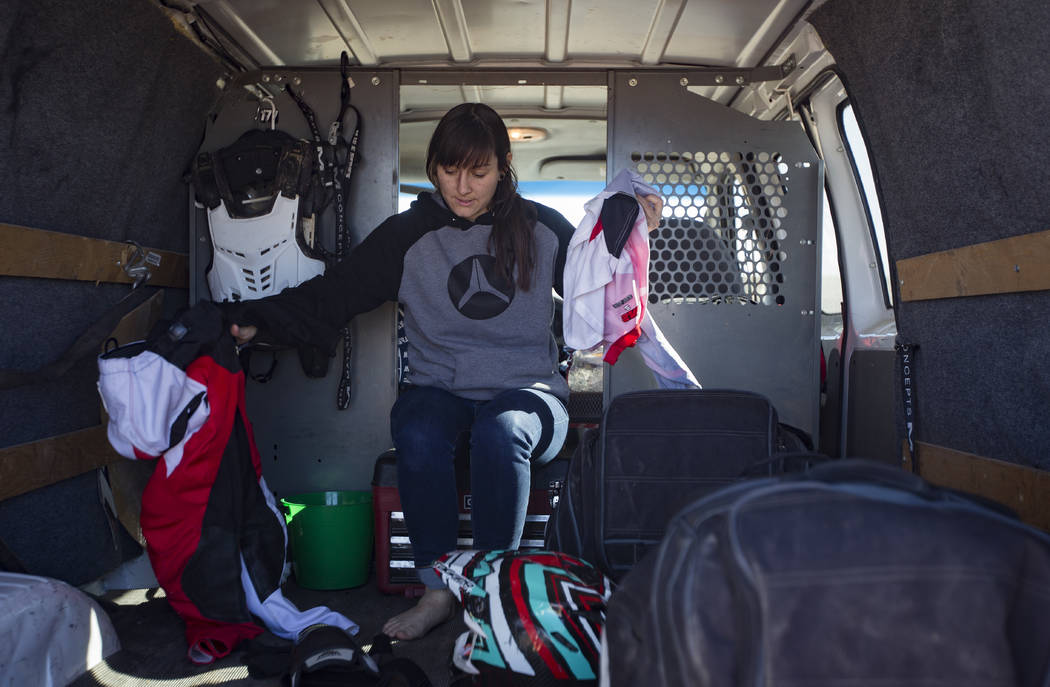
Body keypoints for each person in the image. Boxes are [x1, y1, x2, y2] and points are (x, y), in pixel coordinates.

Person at [224, 102, 662, 640]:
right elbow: (333, 296)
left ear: (503, 167)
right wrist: (251, 321)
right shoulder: (407, 236)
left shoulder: (543, 229)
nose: (463, 186)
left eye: (478, 172)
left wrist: (637, 230)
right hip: (440, 391)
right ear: (433, 168)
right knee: (418, 427)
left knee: (501, 433)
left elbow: (603, 293)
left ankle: (492, 593)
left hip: (530, 396)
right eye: (450, 170)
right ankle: (436, 590)